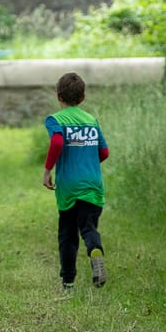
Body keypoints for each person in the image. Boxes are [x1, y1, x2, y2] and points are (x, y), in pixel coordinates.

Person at [42, 72, 109, 292]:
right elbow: (104, 151)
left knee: (68, 234)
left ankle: (68, 282)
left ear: (58, 95)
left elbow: (57, 142)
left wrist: (47, 170)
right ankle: (95, 249)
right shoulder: (91, 120)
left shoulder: (56, 119)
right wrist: (88, 161)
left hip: (69, 186)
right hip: (92, 184)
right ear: (83, 97)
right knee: (88, 227)